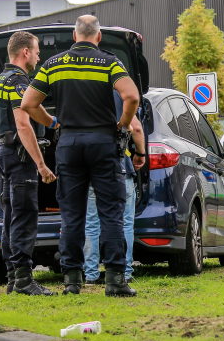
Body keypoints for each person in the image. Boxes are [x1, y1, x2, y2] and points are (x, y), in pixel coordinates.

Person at [21, 15, 143, 296]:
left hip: (69, 144)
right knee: (111, 214)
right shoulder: (110, 62)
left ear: (74, 37)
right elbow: (133, 97)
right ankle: (115, 281)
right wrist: (123, 124)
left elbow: (28, 103)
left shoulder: (54, 64)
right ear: (98, 37)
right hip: (103, 143)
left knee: (72, 216)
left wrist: (53, 123)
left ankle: (72, 282)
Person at [0, 31, 57, 296]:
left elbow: (32, 111)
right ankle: (24, 280)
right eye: (37, 50)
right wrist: (40, 164)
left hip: (3, 154)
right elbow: (22, 123)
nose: (39, 56)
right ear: (25, 52)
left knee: (10, 217)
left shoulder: (0, 79)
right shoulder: (19, 81)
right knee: (24, 217)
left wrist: (53, 123)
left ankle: (11, 278)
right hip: (20, 158)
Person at [84, 92, 145, 285]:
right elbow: (136, 128)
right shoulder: (120, 94)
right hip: (119, 167)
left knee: (91, 223)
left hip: (90, 168)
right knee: (124, 221)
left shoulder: (81, 95)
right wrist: (140, 153)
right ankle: (124, 271)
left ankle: (91, 275)